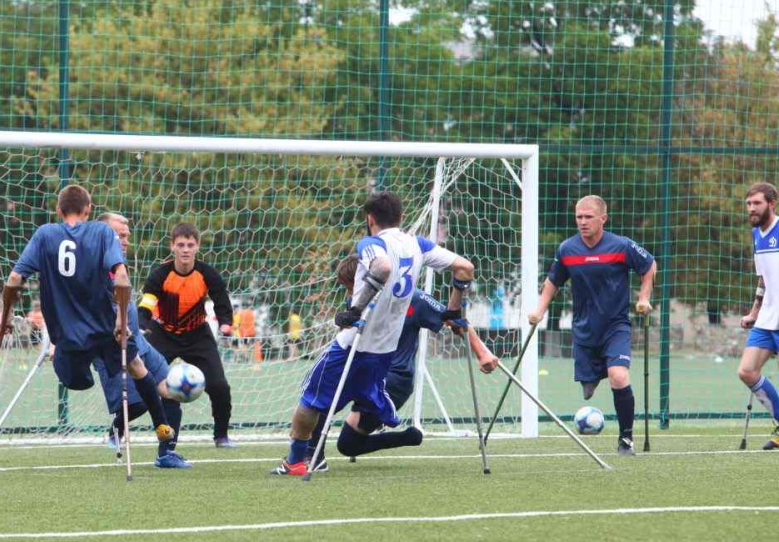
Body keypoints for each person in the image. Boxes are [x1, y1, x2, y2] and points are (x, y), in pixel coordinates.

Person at [271, 190, 474, 476]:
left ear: (370, 219)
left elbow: (383, 266)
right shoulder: (418, 244)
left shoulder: (371, 243)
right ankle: (382, 411)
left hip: (353, 346)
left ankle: (295, 461)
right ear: (400, 217)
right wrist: (454, 309)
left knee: (310, 399)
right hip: (384, 352)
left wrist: (355, 310)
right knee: (354, 398)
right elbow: (465, 267)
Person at [4, 184, 174, 446]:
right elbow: (121, 277)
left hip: (67, 336)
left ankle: (83, 380)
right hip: (105, 331)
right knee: (137, 367)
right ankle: (162, 427)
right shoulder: (102, 232)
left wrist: (7, 316)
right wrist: (121, 321)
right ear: (88, 209)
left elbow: (15, 278)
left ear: (58, 210)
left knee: (76, 380)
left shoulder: (45, 234)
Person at [306, 254, 498, 470]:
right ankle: (313, 457)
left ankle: (402, 433)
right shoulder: (357, 301)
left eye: (351, 287)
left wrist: (482, 353)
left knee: (347, 444)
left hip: (395, 379)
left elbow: (454, 320)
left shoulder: (414, 300)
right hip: (363, 371)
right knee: (323, 390)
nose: (349, 294)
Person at [528, 195, 656, 456]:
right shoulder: (567, 249)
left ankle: (626, 439)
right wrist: (539, 310)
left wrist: (644, 298)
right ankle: (593, 376)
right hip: (584, 329)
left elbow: (649, 265)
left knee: (618, 376)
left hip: (616, 326)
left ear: (603, 219)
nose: (583, 222)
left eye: (588, 217)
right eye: (579, 217)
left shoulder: (621, 246)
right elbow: (553, 281)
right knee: (587, 390)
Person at [94, 212, 188, 468]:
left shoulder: (119, 264)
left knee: (172, 392)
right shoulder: (92, 267)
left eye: (127, 236)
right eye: (119, 236)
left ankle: (166, 454)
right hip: (112, 348)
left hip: (140, 344)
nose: (125, 240)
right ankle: (117, 428)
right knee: (136, 405)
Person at [138, 223, 237, 448]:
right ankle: (120, 431)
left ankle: (221, 436)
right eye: (181, 245)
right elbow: (146, 305)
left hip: (197, 335)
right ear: (172, 246)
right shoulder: (159, 275)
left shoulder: (207, 274)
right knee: (143, 381)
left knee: (220, 386)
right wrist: (141, 325)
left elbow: (222, 302)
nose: (185, 249)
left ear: (197, 247)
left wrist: (225, 324)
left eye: (190, 245)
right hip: (162, 333)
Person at [736, 183, 779, 450]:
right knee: (747, 371)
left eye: (757, 203)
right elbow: (763, 279)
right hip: (768, 318)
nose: (751, 208)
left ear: (772, 203)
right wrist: (754, 311)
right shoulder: (756, 234)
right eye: (749, 204)